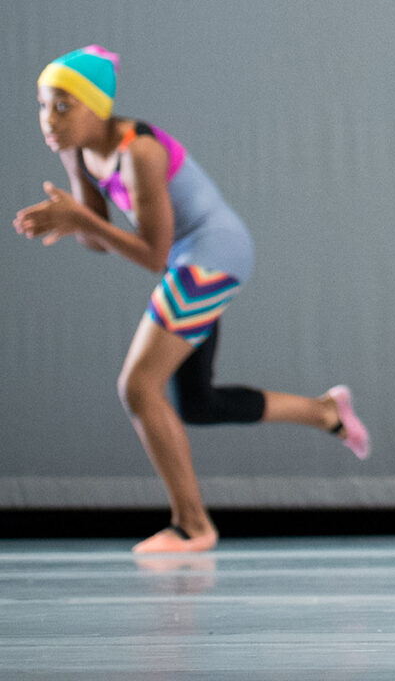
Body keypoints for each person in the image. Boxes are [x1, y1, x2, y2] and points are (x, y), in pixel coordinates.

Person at [15, 47, 369, 555]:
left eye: (63, 106)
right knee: (197, 404)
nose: (49, 120)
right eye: (43, 106)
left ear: (97, 107)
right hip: (188, 256)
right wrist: (73, 218)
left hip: (214, 254)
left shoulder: (139, 151)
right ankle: (325, 412)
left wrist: (82, 221)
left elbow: (153, 255)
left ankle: (193, 525)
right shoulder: (76, 150)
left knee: (139, 387)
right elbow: (98, 238)